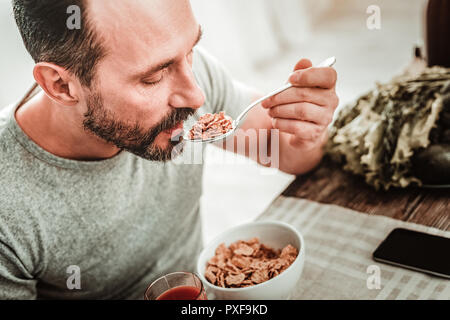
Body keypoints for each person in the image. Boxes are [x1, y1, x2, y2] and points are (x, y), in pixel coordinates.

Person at [0, 0, 338, 299]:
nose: (195, 97)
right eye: (152, 79)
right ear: (61, 85)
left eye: (190, 50)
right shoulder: (8, 208)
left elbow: (292, 155)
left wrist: (305, 128)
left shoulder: (192, 75)